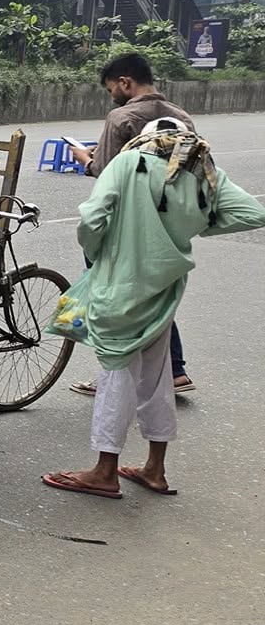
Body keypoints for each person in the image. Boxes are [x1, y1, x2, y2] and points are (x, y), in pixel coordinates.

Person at [41, 120, 263, 498]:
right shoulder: (204, 174)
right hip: (165, 290)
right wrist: (193, 227)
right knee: (157, 377)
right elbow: (253, 213)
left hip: (119, 285)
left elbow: (92, 219)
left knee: (116, 373)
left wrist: (97, 254)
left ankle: (104, 471)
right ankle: (154, 468)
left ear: (147, 139)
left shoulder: (128, 163)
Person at [66, 52, 200, 397]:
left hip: (122, 224)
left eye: (113, 88)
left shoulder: (121, 117)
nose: (112, 95)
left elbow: (107, 172)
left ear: (125, 82)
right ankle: (176, 370)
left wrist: (86, 160)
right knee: (155, 294)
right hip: (166, 225)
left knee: (114, 299)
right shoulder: (182, 118)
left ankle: (116, 373)